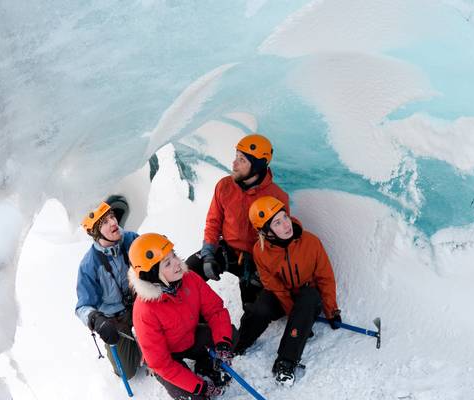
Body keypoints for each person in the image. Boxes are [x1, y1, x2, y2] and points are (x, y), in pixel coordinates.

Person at [234, 196, 342, 386]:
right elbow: (273, 285)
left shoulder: (311, 242)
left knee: (309, 297)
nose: (286, 225)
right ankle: (236, 344)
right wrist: (294, 315)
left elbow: (325, 278)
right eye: (277, 223)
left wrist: (331, 311)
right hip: (282, 295)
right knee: (261, 306)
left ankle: (286, 361)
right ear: (266, 232)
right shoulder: (260, 251)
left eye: (284, 217)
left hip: (307, 296)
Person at [186, 134, 289, 309]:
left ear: (257, 166)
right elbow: (213, 222)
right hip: (227, 250)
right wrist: (209, 253)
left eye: (242, 160)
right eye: (236, 157)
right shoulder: (224, 186)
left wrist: (263, 270)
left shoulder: (277, 197)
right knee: (188, 271)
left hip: (256, 260)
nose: (234, 164)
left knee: (253, 308)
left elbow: (280, 241)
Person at [128, 232, 236, 399]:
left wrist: (222, 344)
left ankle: (204, 363)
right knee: (196, 396)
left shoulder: (189, 278)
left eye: (174, 256)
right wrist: (200, 386)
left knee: (230, 336)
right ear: (152, 273)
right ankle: (194, 375)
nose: (178, 263)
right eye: (168, 263)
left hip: (190, 338)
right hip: (167, 358)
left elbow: (215, 310)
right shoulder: (144, 311)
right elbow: (161, 363)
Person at [75, 201, 142, 378]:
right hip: (116, 320)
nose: (113, 222)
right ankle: (134, 344)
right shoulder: (89, 265)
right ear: (96, 234)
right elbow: (83, 307)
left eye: (112, 216)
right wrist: (96, 320)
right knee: (126, 372)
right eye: (104, 222)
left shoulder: (131, 239)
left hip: (141, 304)